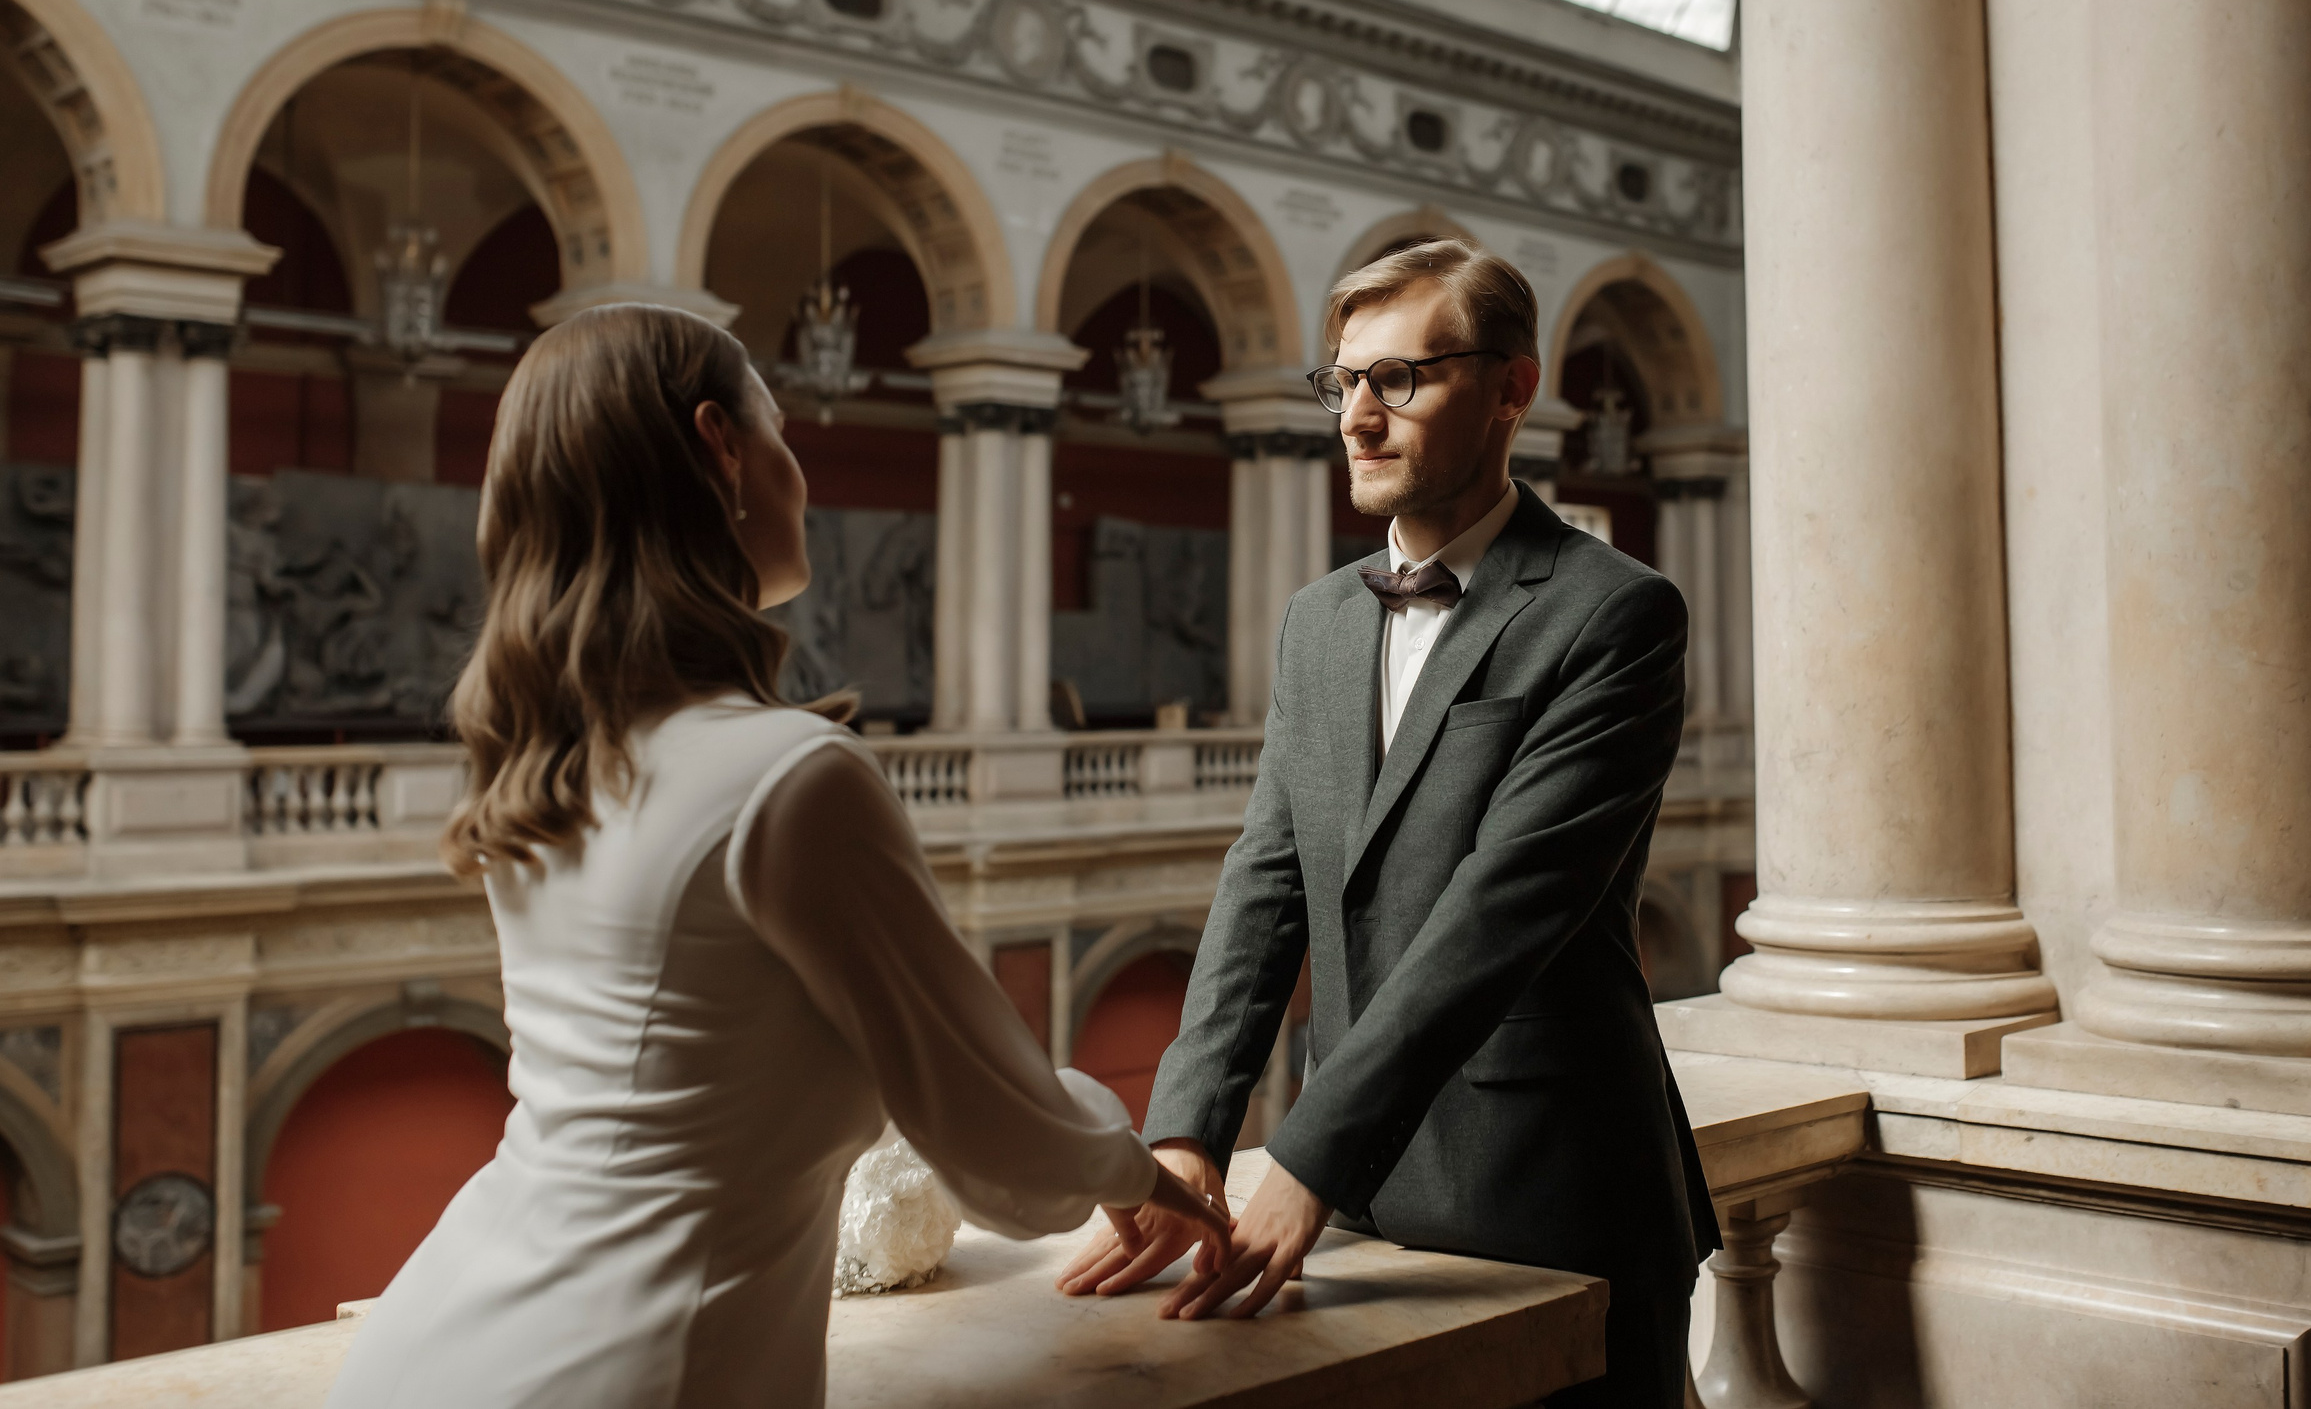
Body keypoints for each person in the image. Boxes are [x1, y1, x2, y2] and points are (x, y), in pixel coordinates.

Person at [326, 303, 1226, 1409]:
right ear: (721, 446)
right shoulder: (790, 776)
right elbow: (1000, 1145)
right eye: (782, 433)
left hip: (435, 1343)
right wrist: (1129, 1167)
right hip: (632, 1368)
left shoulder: (551, 756)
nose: (801, 475)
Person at [1057, 241, 1717, 1409]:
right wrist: (1188, 1134)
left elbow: (1497, 917)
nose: (1357, 418)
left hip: (1551, 1195)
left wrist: (1306, 1155)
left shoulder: (1616, 614)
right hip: (1358, 1206)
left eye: (1399, 379)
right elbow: (1264, 882)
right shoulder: (1315, 621)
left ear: (1512, 388)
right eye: (1343, 382)